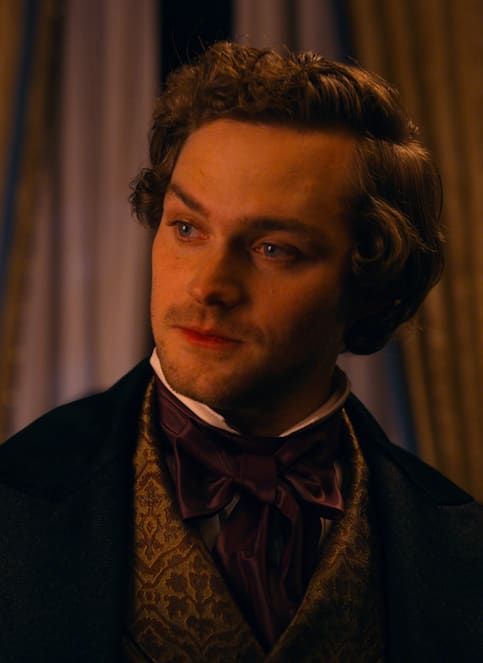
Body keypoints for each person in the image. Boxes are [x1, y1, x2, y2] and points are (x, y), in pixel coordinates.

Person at [0, 42, 481, 663]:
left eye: (272, 248)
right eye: (187, 228)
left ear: (370, 285)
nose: (209, 286)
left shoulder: (460, 547)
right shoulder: (15, 498)